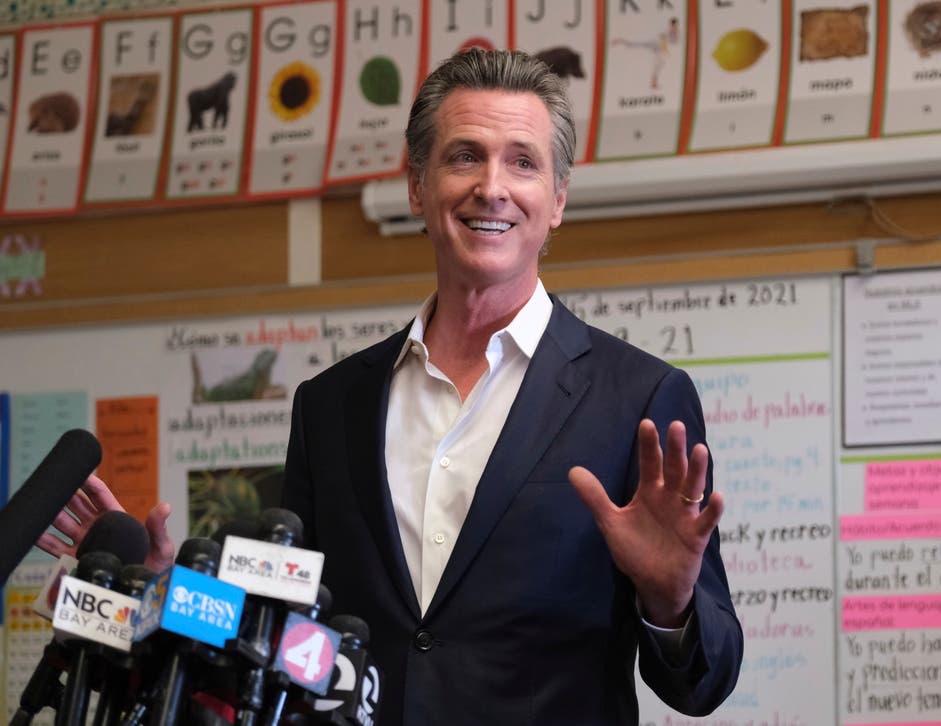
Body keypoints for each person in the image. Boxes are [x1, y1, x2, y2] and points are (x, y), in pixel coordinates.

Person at [41, 48, 742, 725]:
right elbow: (283, 631)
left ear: (556, 199)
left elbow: (705, 684)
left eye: (523, 162)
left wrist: (670, 600)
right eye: (464, 156)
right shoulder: (330, 405)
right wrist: (165, 596)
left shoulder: (638, 399)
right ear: (417, 186)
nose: (491, 186)